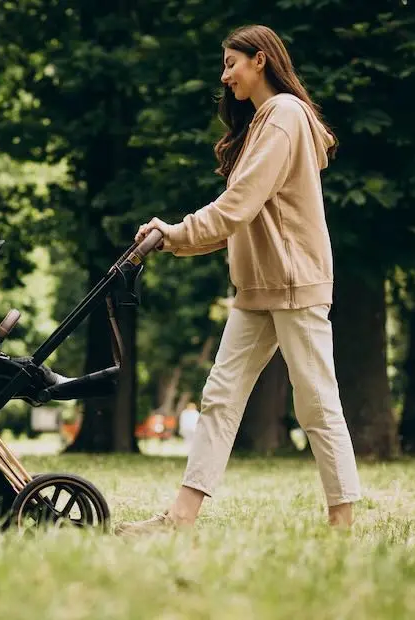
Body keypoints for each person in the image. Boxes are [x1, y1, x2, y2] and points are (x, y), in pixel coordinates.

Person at [115, 24, 362, 535]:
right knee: (220, 397)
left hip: (294, 284)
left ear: (260, 61)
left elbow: (235, 207)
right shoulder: (266, 122)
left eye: (231, 63)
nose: (225, 76)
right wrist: (173, 238)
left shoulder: (284, 118)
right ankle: (181, 519)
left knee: (315, 400)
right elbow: (236, 221)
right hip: (258, 289)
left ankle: (342, 523)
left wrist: (173, 230)